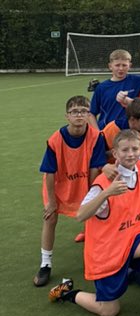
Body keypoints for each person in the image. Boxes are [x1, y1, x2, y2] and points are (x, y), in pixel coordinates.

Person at [48, 129, 140, 316]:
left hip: (132, 238)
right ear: (115, 153)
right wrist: (107, 193)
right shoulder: (103, 183)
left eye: (135, 149)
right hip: (108, 250)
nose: (131, 154)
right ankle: (67, 292)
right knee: (109, 310)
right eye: (125, 150)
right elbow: (81, 215)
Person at [34, 95, 108, 287]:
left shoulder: (96, 136)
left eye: (83, 111)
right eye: (75, 112)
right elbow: (49, 172)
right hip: (59, 185)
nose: (79, 115)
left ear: (89, 114)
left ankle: (97, 259)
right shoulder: (55, 139)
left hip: (83, 184)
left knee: (94, 218)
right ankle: (45, 263)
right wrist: (52, 202)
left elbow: (95, 168)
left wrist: (92, 196)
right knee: (50, 217)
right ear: (67, 116)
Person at [88, 49, 140, 129]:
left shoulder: (139, 81)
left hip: (131, 131)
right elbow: (91, 114)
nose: (121, 68)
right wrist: (98, 133)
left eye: (124, 65)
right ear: (110, 66)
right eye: (117, 65)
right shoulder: (101, 88)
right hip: (107, 130)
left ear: (130, 66)